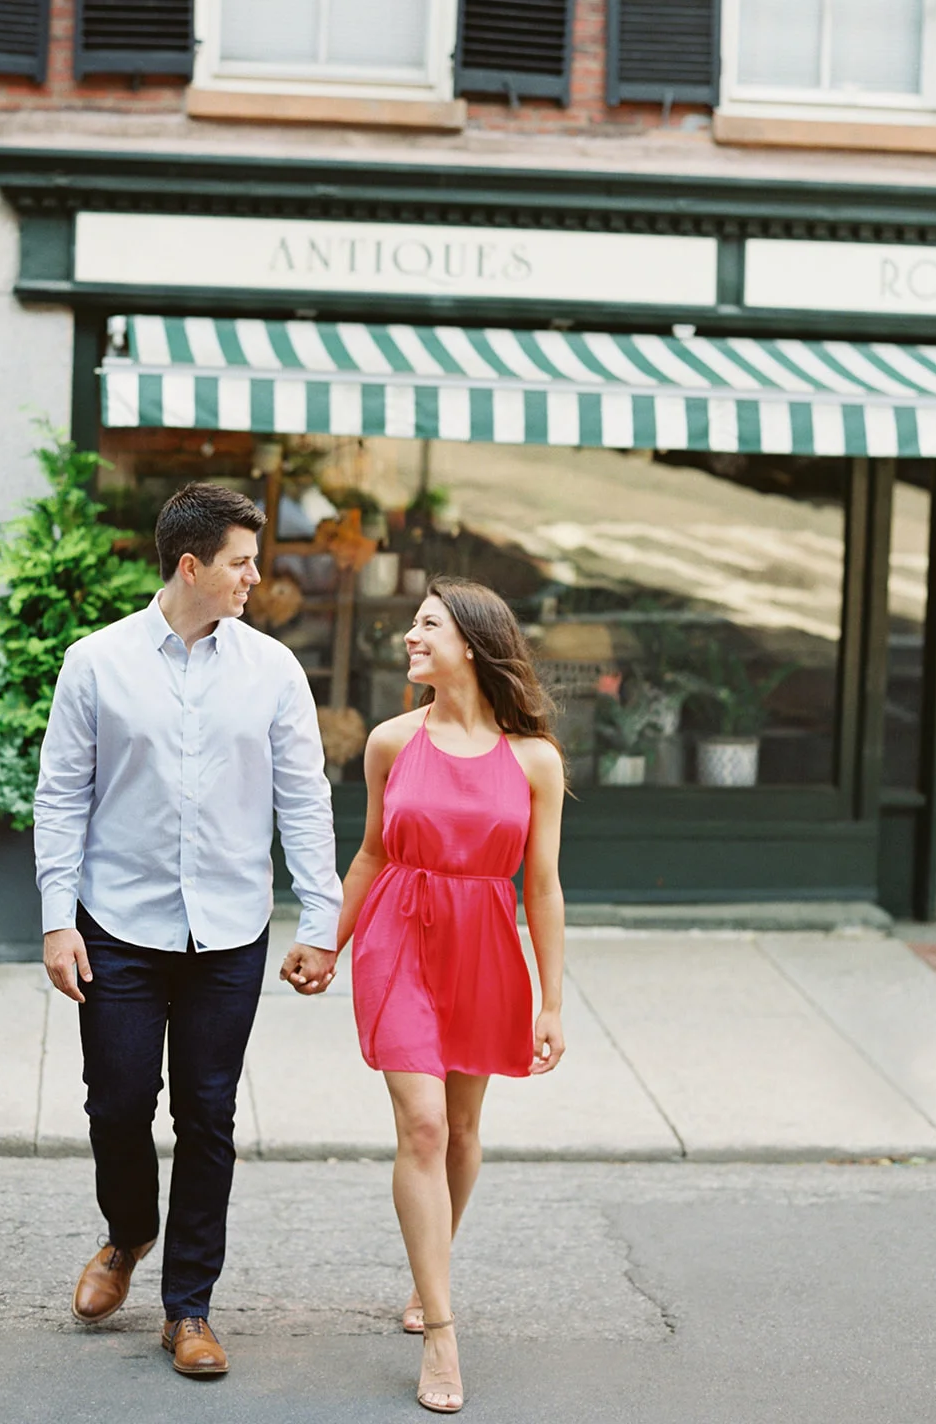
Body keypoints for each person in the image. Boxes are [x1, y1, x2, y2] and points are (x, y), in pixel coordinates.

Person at [34, 482, 340, 1379]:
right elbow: (61, 798)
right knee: (119, 1104)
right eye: (243, 562)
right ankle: (129, 1234)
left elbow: (304, 801)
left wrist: (320, 921)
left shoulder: (274, 671)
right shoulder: (95, 663)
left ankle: (189, 1308)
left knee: (209, 1117)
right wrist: (58, 921)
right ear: (192, 565)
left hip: (230, 933)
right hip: (118, 925)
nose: (256, 578)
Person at [337, 578, 567, 1415]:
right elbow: (367, 855)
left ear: (471, 641)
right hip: (398, 936)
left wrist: (551, 1000)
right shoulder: (392, 741)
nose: (409, 636)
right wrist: (327, 941)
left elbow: (542, 887)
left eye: (426, 625)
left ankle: (425, 1271)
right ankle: (441, 1327)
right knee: (425, 1124)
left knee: (464, 1129)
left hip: (483, 946)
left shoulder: (535, 759)